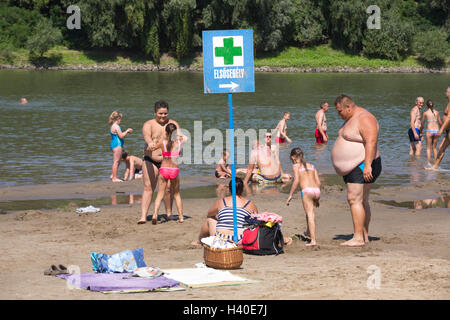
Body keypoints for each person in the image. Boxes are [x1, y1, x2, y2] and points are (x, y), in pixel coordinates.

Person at [331, 94, 382, 247]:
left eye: (340, 111)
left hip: (361, 165)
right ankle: (364, 235)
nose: (339, 114)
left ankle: (358, 237)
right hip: (358, 165)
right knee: (361, 200)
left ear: (348, 107)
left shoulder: (365, 118)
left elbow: (371, 141)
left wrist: (367, 165)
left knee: (355, 199)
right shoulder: (351, 119)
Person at [138, 100, 182, 224]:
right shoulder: (149, 124)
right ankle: (143, 216)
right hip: (150, 160)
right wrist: (150, 143)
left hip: (167, 162)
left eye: (165, 113)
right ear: (155, 113)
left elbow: (179, 137)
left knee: (168, 189)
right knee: (148, 187)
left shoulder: (173, 124)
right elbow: (146, 135)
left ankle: (169, 214)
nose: (163, 116)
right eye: (160, 113)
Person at [191, 178, 257, 245]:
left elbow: (209, 214)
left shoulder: (222, 202)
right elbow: (256, 221)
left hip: (221, 239)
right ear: (243, 189)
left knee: (210, 220)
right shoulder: (250, 204)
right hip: (241, 239)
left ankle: (199, 241)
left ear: (229, 189)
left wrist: (222, 219)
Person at [150, 123, 185, 224]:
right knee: (177, 194)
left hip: (164, 169)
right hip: (174, 170)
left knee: (160, 194)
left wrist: (154, 142)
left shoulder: (163, 143)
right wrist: (179, 134)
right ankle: (181, 217)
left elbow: (152, 148)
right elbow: (184, 138)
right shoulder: (179, 142)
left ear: (165, 132)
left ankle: (155, 214)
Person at [286, 148, 321, 246]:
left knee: (310, 215)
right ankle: (309, 232)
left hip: (307, 191)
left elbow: (296, 180)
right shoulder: (312, 166)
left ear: (293, 157)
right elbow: (318, 182)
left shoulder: (296, 166)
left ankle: (313, 240)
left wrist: (290, 195)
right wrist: (317, 198)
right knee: (309, 211)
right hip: (316, 190)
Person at [108, 111, 132, 183]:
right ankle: (114, 178)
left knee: (118, 162)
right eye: (120, 119)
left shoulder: (113, 126)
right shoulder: (116, 126)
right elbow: (121, 136)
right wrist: (127, 131)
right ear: (117, 118)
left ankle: (113, 175)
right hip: (117, 145)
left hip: (116, 144)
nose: (120, 120)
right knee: (116, 161)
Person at [421, 99, 442, 165]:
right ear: (433, 105)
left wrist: (420, 132)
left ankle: (429, 163)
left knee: (428, 148)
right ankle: (436, 163)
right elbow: (440, 122)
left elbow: (422, 124)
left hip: (429, 130)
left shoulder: (425, 113)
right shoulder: (437, 112)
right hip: (436, 130)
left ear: (426, 106)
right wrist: (443, 130)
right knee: (434, 147)